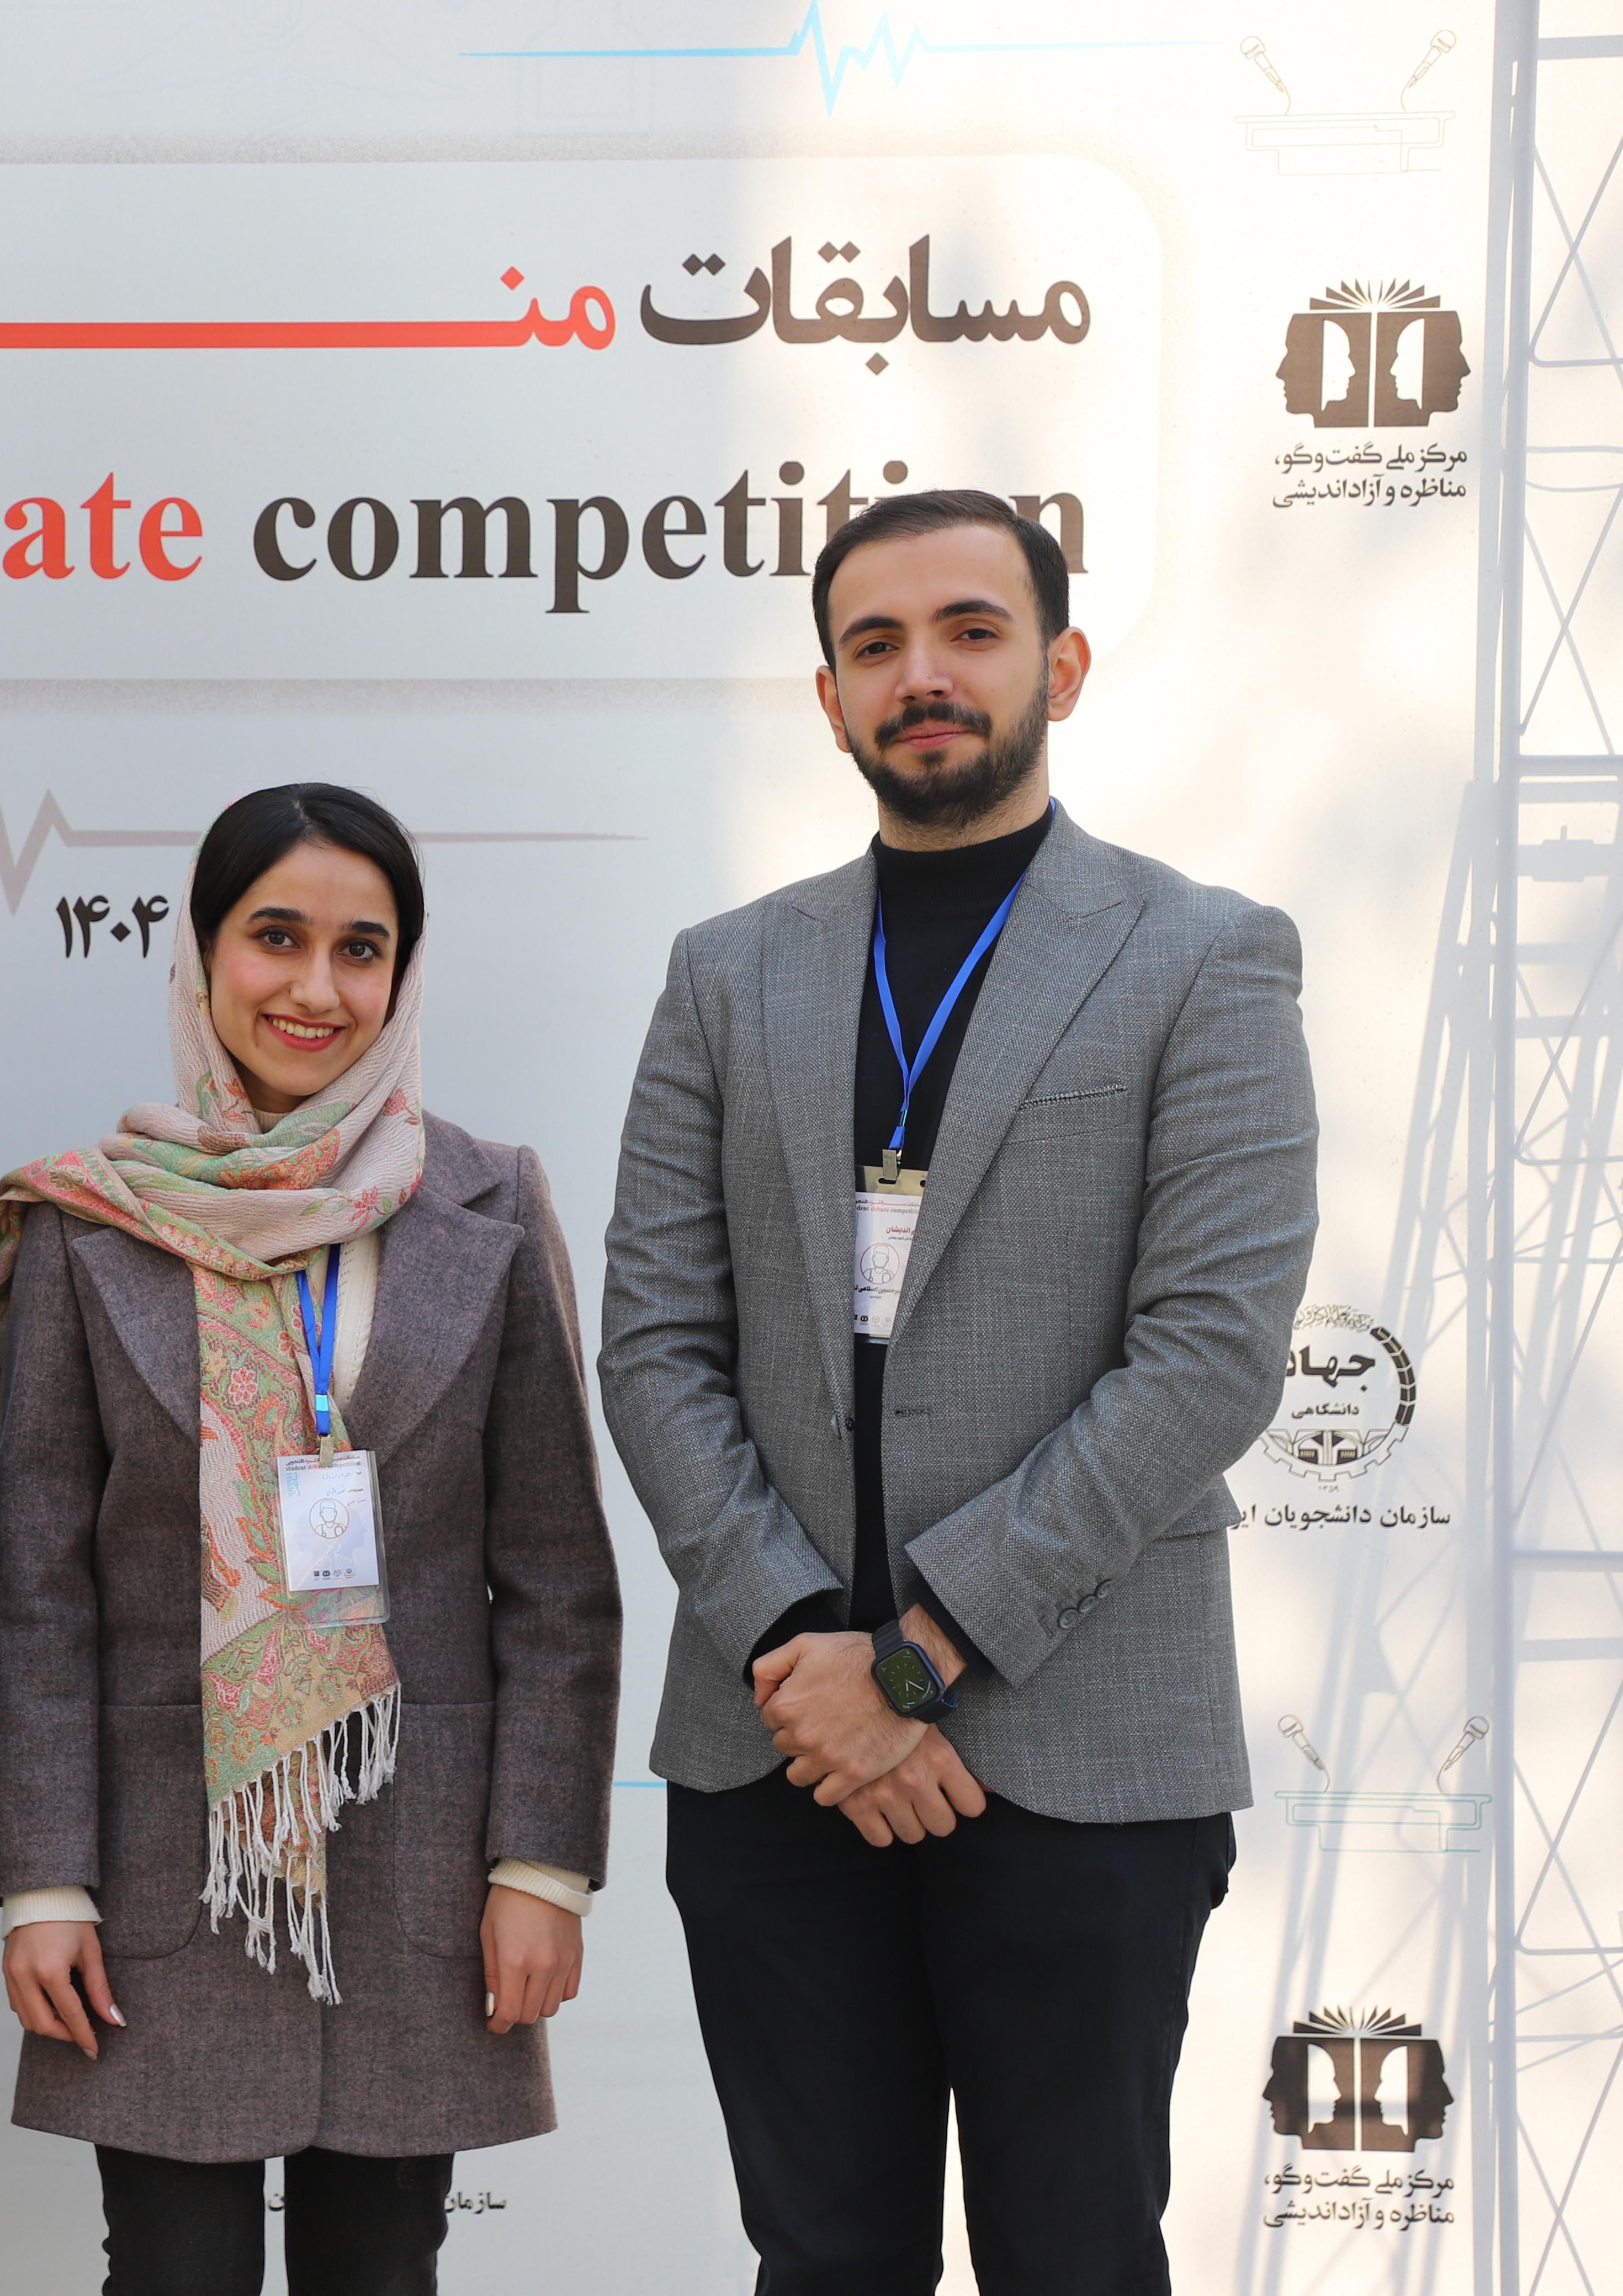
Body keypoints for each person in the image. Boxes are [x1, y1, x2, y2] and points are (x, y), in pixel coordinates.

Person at [599, 490, 1319, 2293]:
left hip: (1083, 1753)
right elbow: (656, 1344)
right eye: (876, 644)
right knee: (821, 2262)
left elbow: (1209, 1356)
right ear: (829, 698)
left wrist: (912, 1666)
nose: (923, 674)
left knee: (1073, 2258)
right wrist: (805, 1658)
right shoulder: (725, 973)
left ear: (1060, 668)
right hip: (776, 1758)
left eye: (972, 632)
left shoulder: (1206, 955)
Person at [0, 784, 623, 2296]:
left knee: (384, 2273)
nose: (316, 989)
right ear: (203, 955)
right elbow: (40, 1592)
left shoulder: (491, 1201)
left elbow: (556, 1577)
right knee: (173, 2276)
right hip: (165, 1866)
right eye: (276, 938)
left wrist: (542, 1863)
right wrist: (46, 1883)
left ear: (403, 973)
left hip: (424, 1866)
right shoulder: (90, 1223)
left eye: (361, 948)